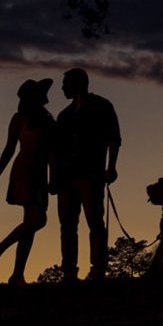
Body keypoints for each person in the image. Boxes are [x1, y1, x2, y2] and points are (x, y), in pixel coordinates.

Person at [0, 78, 56, 285]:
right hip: (25, 171)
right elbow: (9, 148)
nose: (46, 95)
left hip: (40, 173)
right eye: (41, 92)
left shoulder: (48, 121)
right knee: (38, 221)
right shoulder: (19, 119)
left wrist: (52, 176)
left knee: (30, 224)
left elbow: (52, 153)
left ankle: (17, 274)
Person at [53, 67, 121, 281]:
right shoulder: (63, 115)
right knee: (67, 225)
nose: (63, 88)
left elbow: (114, 138)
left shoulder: (101, 106)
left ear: (79, 84)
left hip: (90, 174)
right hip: (66, 177)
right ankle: (69, 271)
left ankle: (98, 269)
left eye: (66, 84)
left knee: (95, 222)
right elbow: (55, 149)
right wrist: (54, 177)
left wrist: (111, 167)